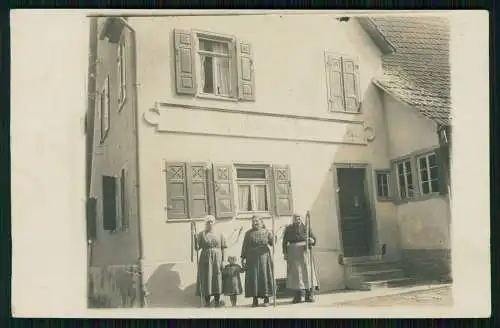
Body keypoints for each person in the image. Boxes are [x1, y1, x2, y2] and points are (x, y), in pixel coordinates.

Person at [282, 213, 319, 303]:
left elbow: (313, 239)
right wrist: (285, 253)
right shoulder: (288, 229)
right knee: (296, 275)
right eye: (295, 218)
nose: (297, 220)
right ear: (293, 219)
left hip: (304, 252)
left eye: (299, 218)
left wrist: (312, 241)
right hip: (293, 253)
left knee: (307, 273)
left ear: (301, 219)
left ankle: (308, 295)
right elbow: (284, 242)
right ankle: (297, 296)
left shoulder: (306, 228)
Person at [241, 216, 274, 307]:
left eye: (257, 221)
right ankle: (254, 299)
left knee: (264, 275)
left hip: (264, 257)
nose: (255, 223)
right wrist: (243, 257)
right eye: (253, 221)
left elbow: (272, 243)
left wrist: (273, 236)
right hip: (251, 257)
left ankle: (266, 298)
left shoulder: (267, 232)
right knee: (253, 277)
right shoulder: (248, 233)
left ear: (261, 222)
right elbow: (245, 245)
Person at [195, 215, 227, 307]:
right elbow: (197, 248)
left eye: (211, 221)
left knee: (217, 277)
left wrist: (224, 261)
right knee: (206, 278)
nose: (210, 223)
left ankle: (217, 301)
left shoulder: (220, 233)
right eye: (208, 222)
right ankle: (207, 301)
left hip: (217, 258)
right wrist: (195, 239)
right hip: (205, 259)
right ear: (205, 223)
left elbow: (224, 247)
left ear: (214, 222)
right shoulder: (201, 234)